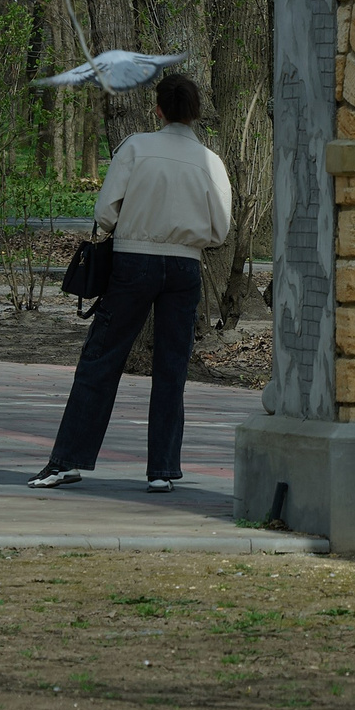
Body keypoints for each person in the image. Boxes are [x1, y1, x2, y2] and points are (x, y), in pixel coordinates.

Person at [29, 71, 233, 493]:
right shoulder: (210, 161)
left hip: (132, 262)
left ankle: (67, 460)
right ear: (195, 113)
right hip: (185, 267)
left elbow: (106, 212)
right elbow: (221, 229)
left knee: (102, 359)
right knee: (172, 367)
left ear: (158, 109)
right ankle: (161, 470)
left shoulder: (137, 147)